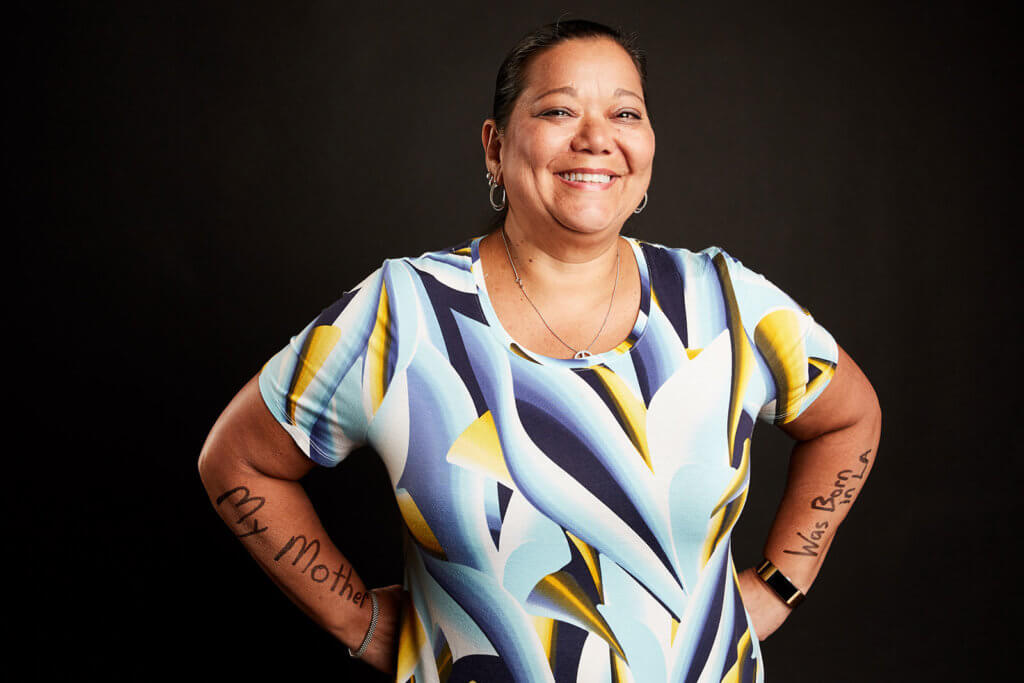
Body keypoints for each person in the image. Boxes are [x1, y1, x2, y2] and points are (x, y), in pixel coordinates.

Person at [199, 19, 881, 682]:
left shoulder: (726, 302)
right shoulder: (402, 312)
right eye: (558, 110)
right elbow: (238, 462)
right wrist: (359, 621)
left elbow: (849, 418)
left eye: (625, 113)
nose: (597, 139)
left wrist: (782, 582)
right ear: (495, 147)